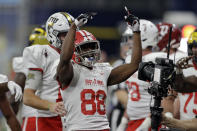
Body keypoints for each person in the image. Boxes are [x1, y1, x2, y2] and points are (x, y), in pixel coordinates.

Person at [56, 8, 142, 131]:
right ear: (73, 49)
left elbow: (134, 64)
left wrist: (136, 31)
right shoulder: (69, 71)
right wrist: (74, 27)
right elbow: (64, 58)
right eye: (85, 48)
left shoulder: (103, 70)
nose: (90, 51)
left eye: (92, 46)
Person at [23, 12, 74, 131]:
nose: (69, 39)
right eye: (65, 35)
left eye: (72, 34)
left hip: (74, 119)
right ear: (53, 34)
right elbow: (28, 97)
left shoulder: (77, 54)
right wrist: (51, 105)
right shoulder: (42, 54)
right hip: (50, 121)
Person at [10, 25, 50, 130]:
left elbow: (14, 100)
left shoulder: (26, 63)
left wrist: (10, 122)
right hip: (54, 118)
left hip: (33, 119)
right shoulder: (58, 63)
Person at [162, 29, 197, 131]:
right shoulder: (187, 67)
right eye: (193, 46)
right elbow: (179, 88)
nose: (195, 50)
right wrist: (178, 71)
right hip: (185, 123)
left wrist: (172, 122)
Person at [108, 25, 132, 131]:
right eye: (127, 43)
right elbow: (121, 95)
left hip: (134, 112)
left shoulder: (140, 65)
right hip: (121, 113)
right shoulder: (119, 64)